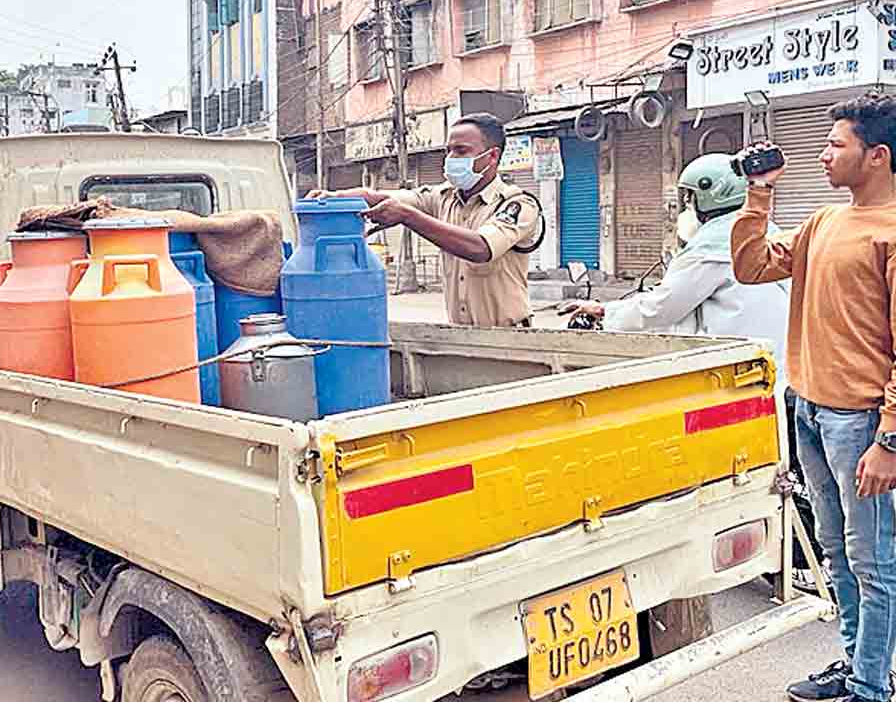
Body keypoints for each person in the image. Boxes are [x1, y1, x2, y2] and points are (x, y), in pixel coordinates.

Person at [731, 92, 896, 702]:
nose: (823, 155)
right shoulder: (825, 221)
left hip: (861, 422)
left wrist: (890, 439)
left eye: (836, 145)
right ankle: (858, 664)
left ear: (877, 156)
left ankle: (871, 686)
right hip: (808, 407)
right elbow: (752, 266)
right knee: (837, 550)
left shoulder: (892, 232)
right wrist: (759, 194)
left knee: (875, 561)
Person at [308, 112, 541, 328]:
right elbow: (376, 197)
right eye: (448, 150)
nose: (451, 158)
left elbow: (480, 248)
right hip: (461, 336)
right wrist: (334, 196)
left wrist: (408, 217)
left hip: (510, 336)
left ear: (491, 156)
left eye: (461, 151)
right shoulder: (443, 197)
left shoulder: (518, 204)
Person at [560, 153, 790, 370]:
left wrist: (605, 311)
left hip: (740, 369)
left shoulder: (710, 248)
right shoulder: (767, 231)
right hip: (780, 364)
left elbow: (662, 307)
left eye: (690, 198)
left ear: (710, 195)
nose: (687, 206)